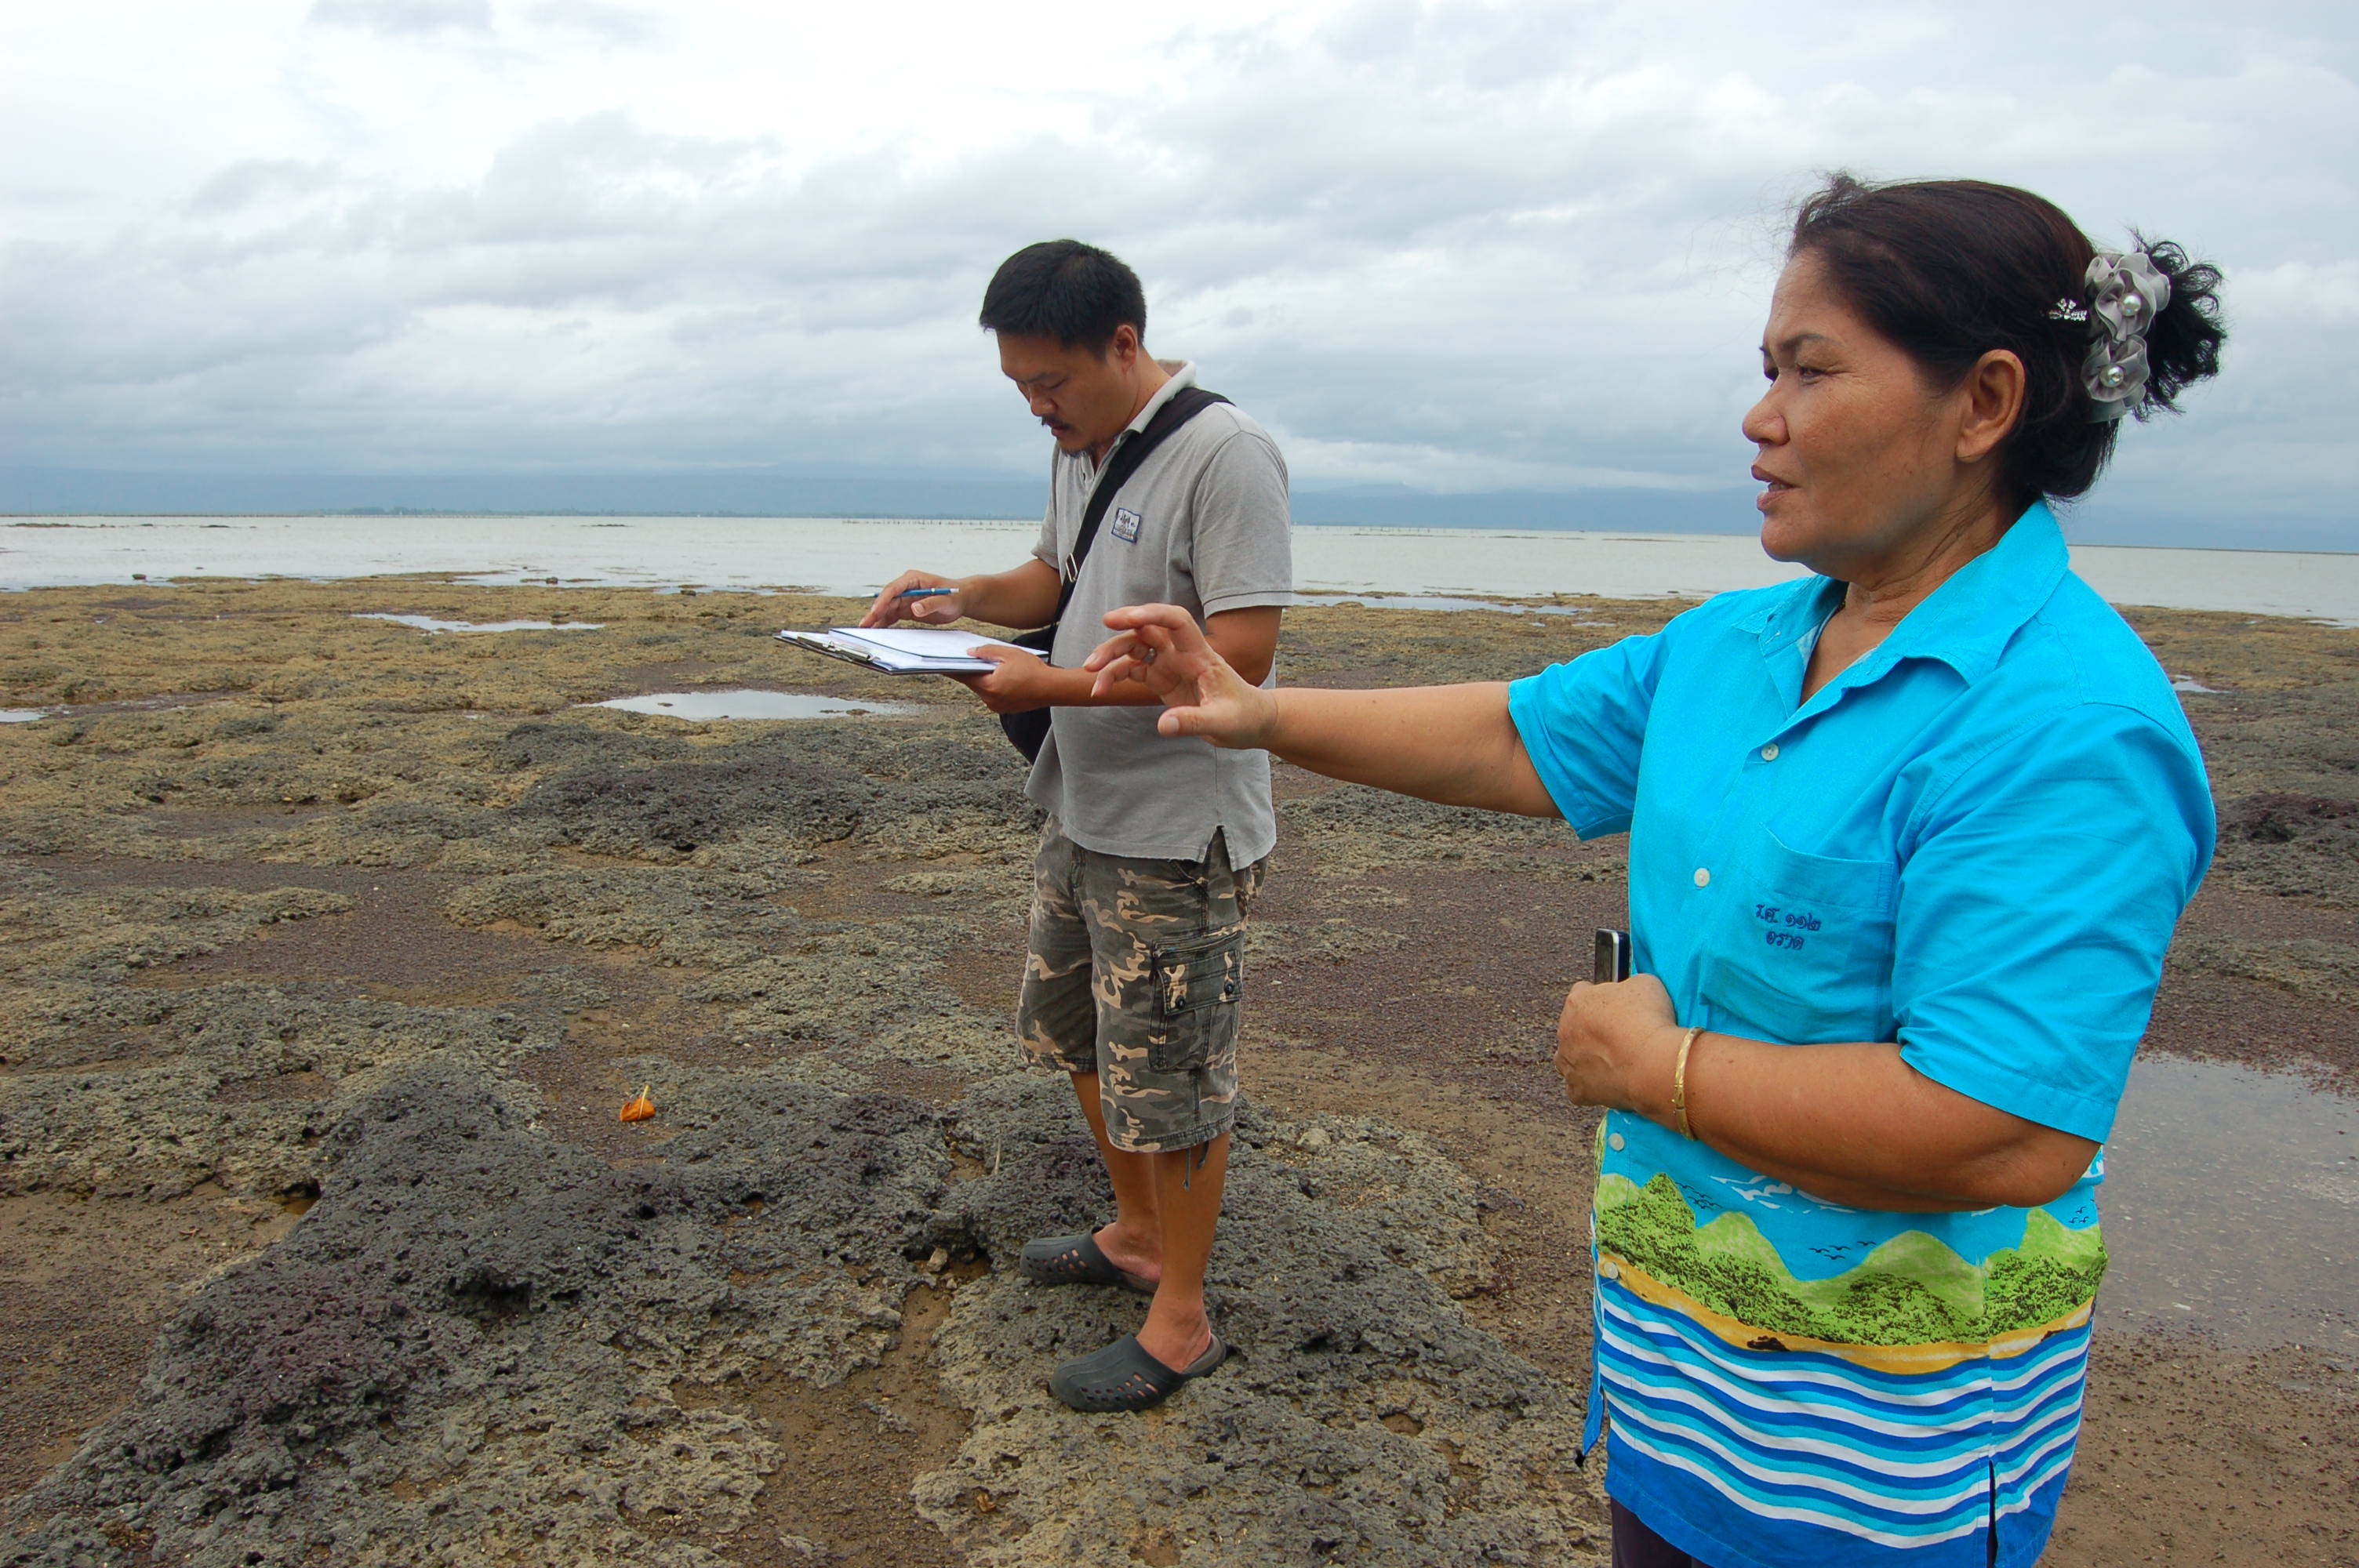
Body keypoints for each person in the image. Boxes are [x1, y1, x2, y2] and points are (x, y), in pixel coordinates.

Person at [1084, 176, 2225, 1566]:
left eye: (1810, 371)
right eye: (1766, 370)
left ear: (1983, 404)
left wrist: (1656, 1072)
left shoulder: (2065, 724)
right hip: (1677, 1387)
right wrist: (1259, 709)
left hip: (1886, 1466)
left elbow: (2003, 1125)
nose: (1762, 418)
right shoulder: (1741, 644)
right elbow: (1517, 735)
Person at [860, 239, 1292, 1413]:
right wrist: (951, 602)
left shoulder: (1226, 453)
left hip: (1177, 830)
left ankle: (1184, 1319)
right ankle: (1142, 1236)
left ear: (1124, 344)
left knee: (1177, 1078)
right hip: (1082, 802)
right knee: (1078, 1039)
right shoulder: (1084, 449)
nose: (1038, 408)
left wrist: (1041, 686)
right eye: (1019, 390)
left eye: (1052, 383)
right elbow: (1054, 580)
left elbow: (1240, 661)